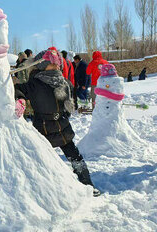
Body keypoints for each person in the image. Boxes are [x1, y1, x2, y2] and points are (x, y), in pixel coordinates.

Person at [15, 47, 100, 196]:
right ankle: (43, 191)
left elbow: (70, 99)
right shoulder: (34, 83)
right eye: (52, 64)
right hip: (42, 129)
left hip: (62, 126)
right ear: (42, 65)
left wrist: (66, 110)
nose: (56, 67)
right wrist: (20, 100)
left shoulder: (64, 82)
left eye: (57, 64)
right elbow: (17, 89)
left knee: (76, 158)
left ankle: (87, 184)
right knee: (40, 160)